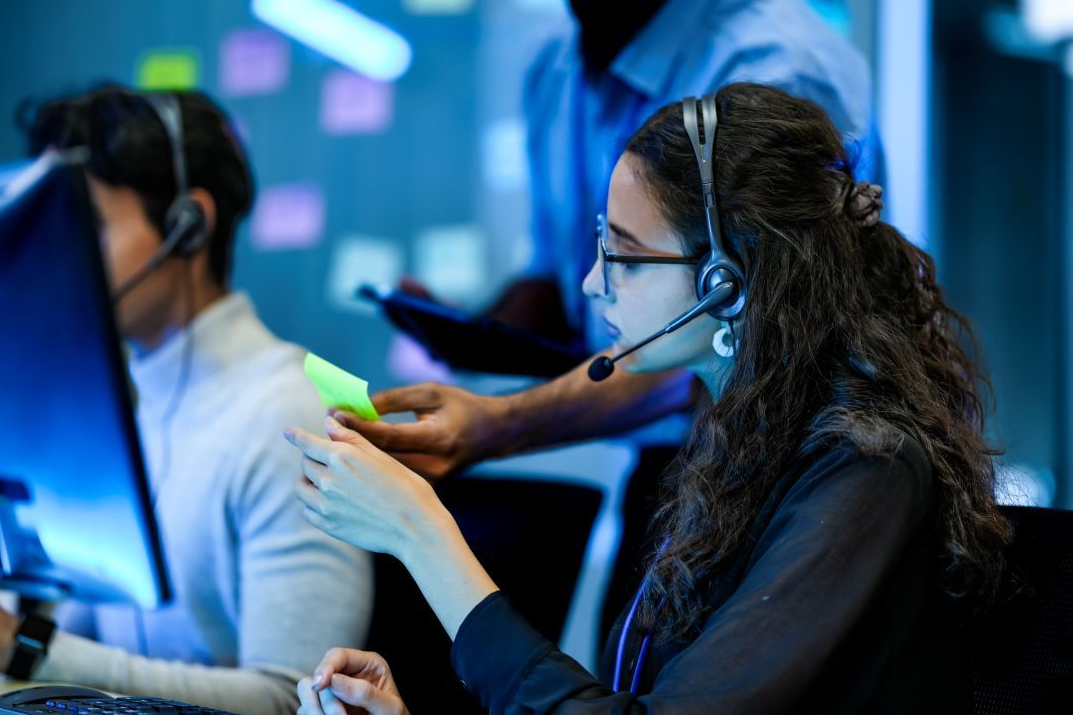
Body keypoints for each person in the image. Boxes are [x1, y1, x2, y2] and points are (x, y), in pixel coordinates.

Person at [284, 83, 1009, 713]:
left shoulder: (865, 470)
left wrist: (423, 535)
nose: (593, 282)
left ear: (727, 281)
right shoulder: (742, 438)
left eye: (624, 254)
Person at [370, 0, 884, 628]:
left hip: (775, 465)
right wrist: (472, 330)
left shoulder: (774, 64)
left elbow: (720, 329)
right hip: (671, 463)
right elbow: (569, 277)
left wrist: (499, 424)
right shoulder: (553, 67)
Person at [0, 87, 372, 715]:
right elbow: (73, 627)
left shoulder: (288, 417)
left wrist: (26, 648)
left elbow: (292, 700)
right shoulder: (103, 406)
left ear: (186, 225)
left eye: (85, 228)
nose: (53, 261)